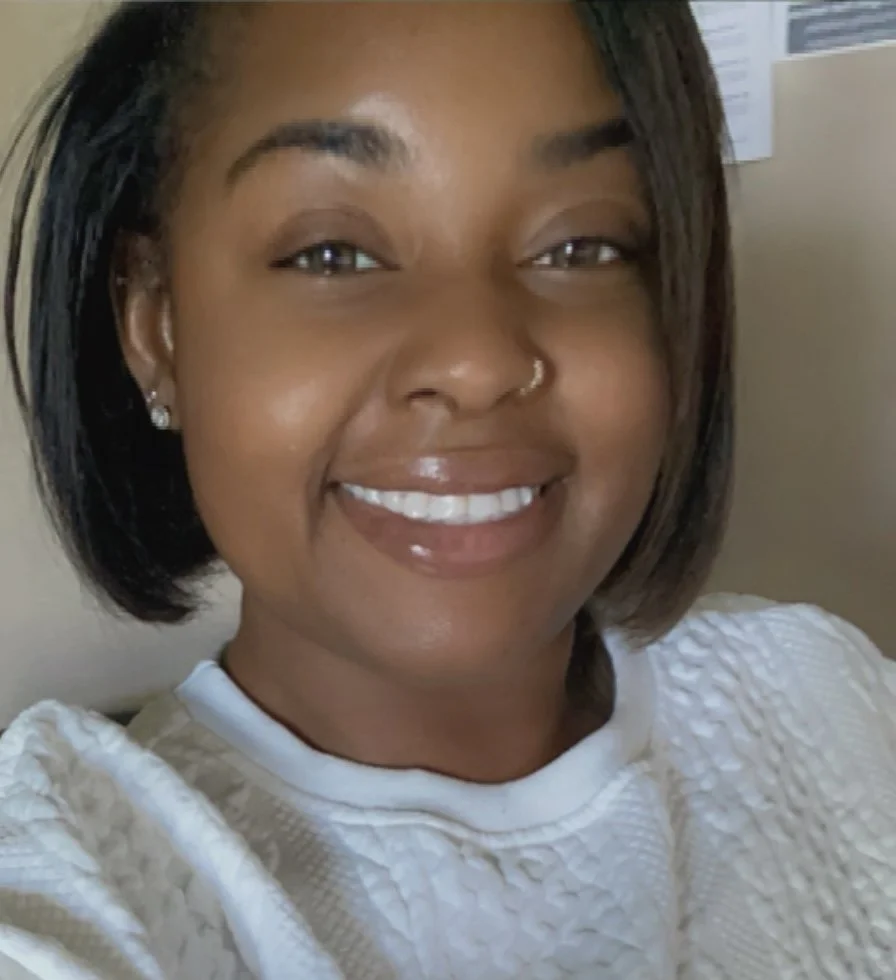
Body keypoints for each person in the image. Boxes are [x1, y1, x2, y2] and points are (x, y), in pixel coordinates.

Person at [0, 2, 893, 977]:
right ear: (155, 324)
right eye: (330, 253)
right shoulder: (76, 867)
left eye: (580, 244)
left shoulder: (821, 692)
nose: (475, 360)